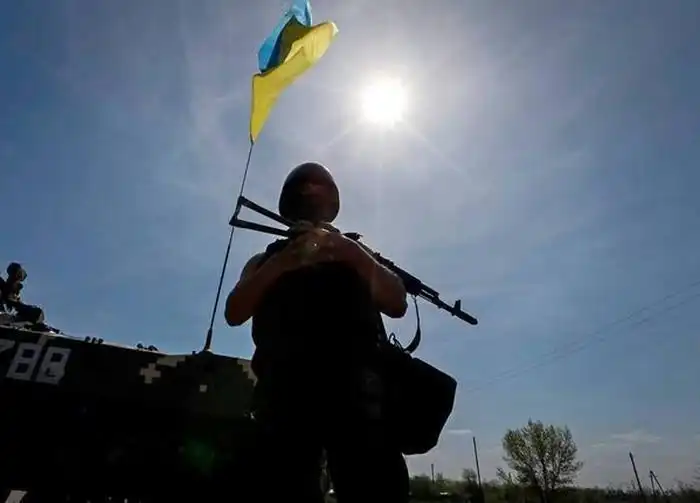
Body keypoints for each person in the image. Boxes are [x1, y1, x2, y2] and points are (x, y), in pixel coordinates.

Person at [225, 162, 410, 503]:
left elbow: (397, 302)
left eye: (319, 189)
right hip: (285, 399)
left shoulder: (355, 252)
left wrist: (351, 253)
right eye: (304, 190)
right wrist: (283, 264)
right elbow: (234, 312)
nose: (311, 193)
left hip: (357, 398)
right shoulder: (265, 260)